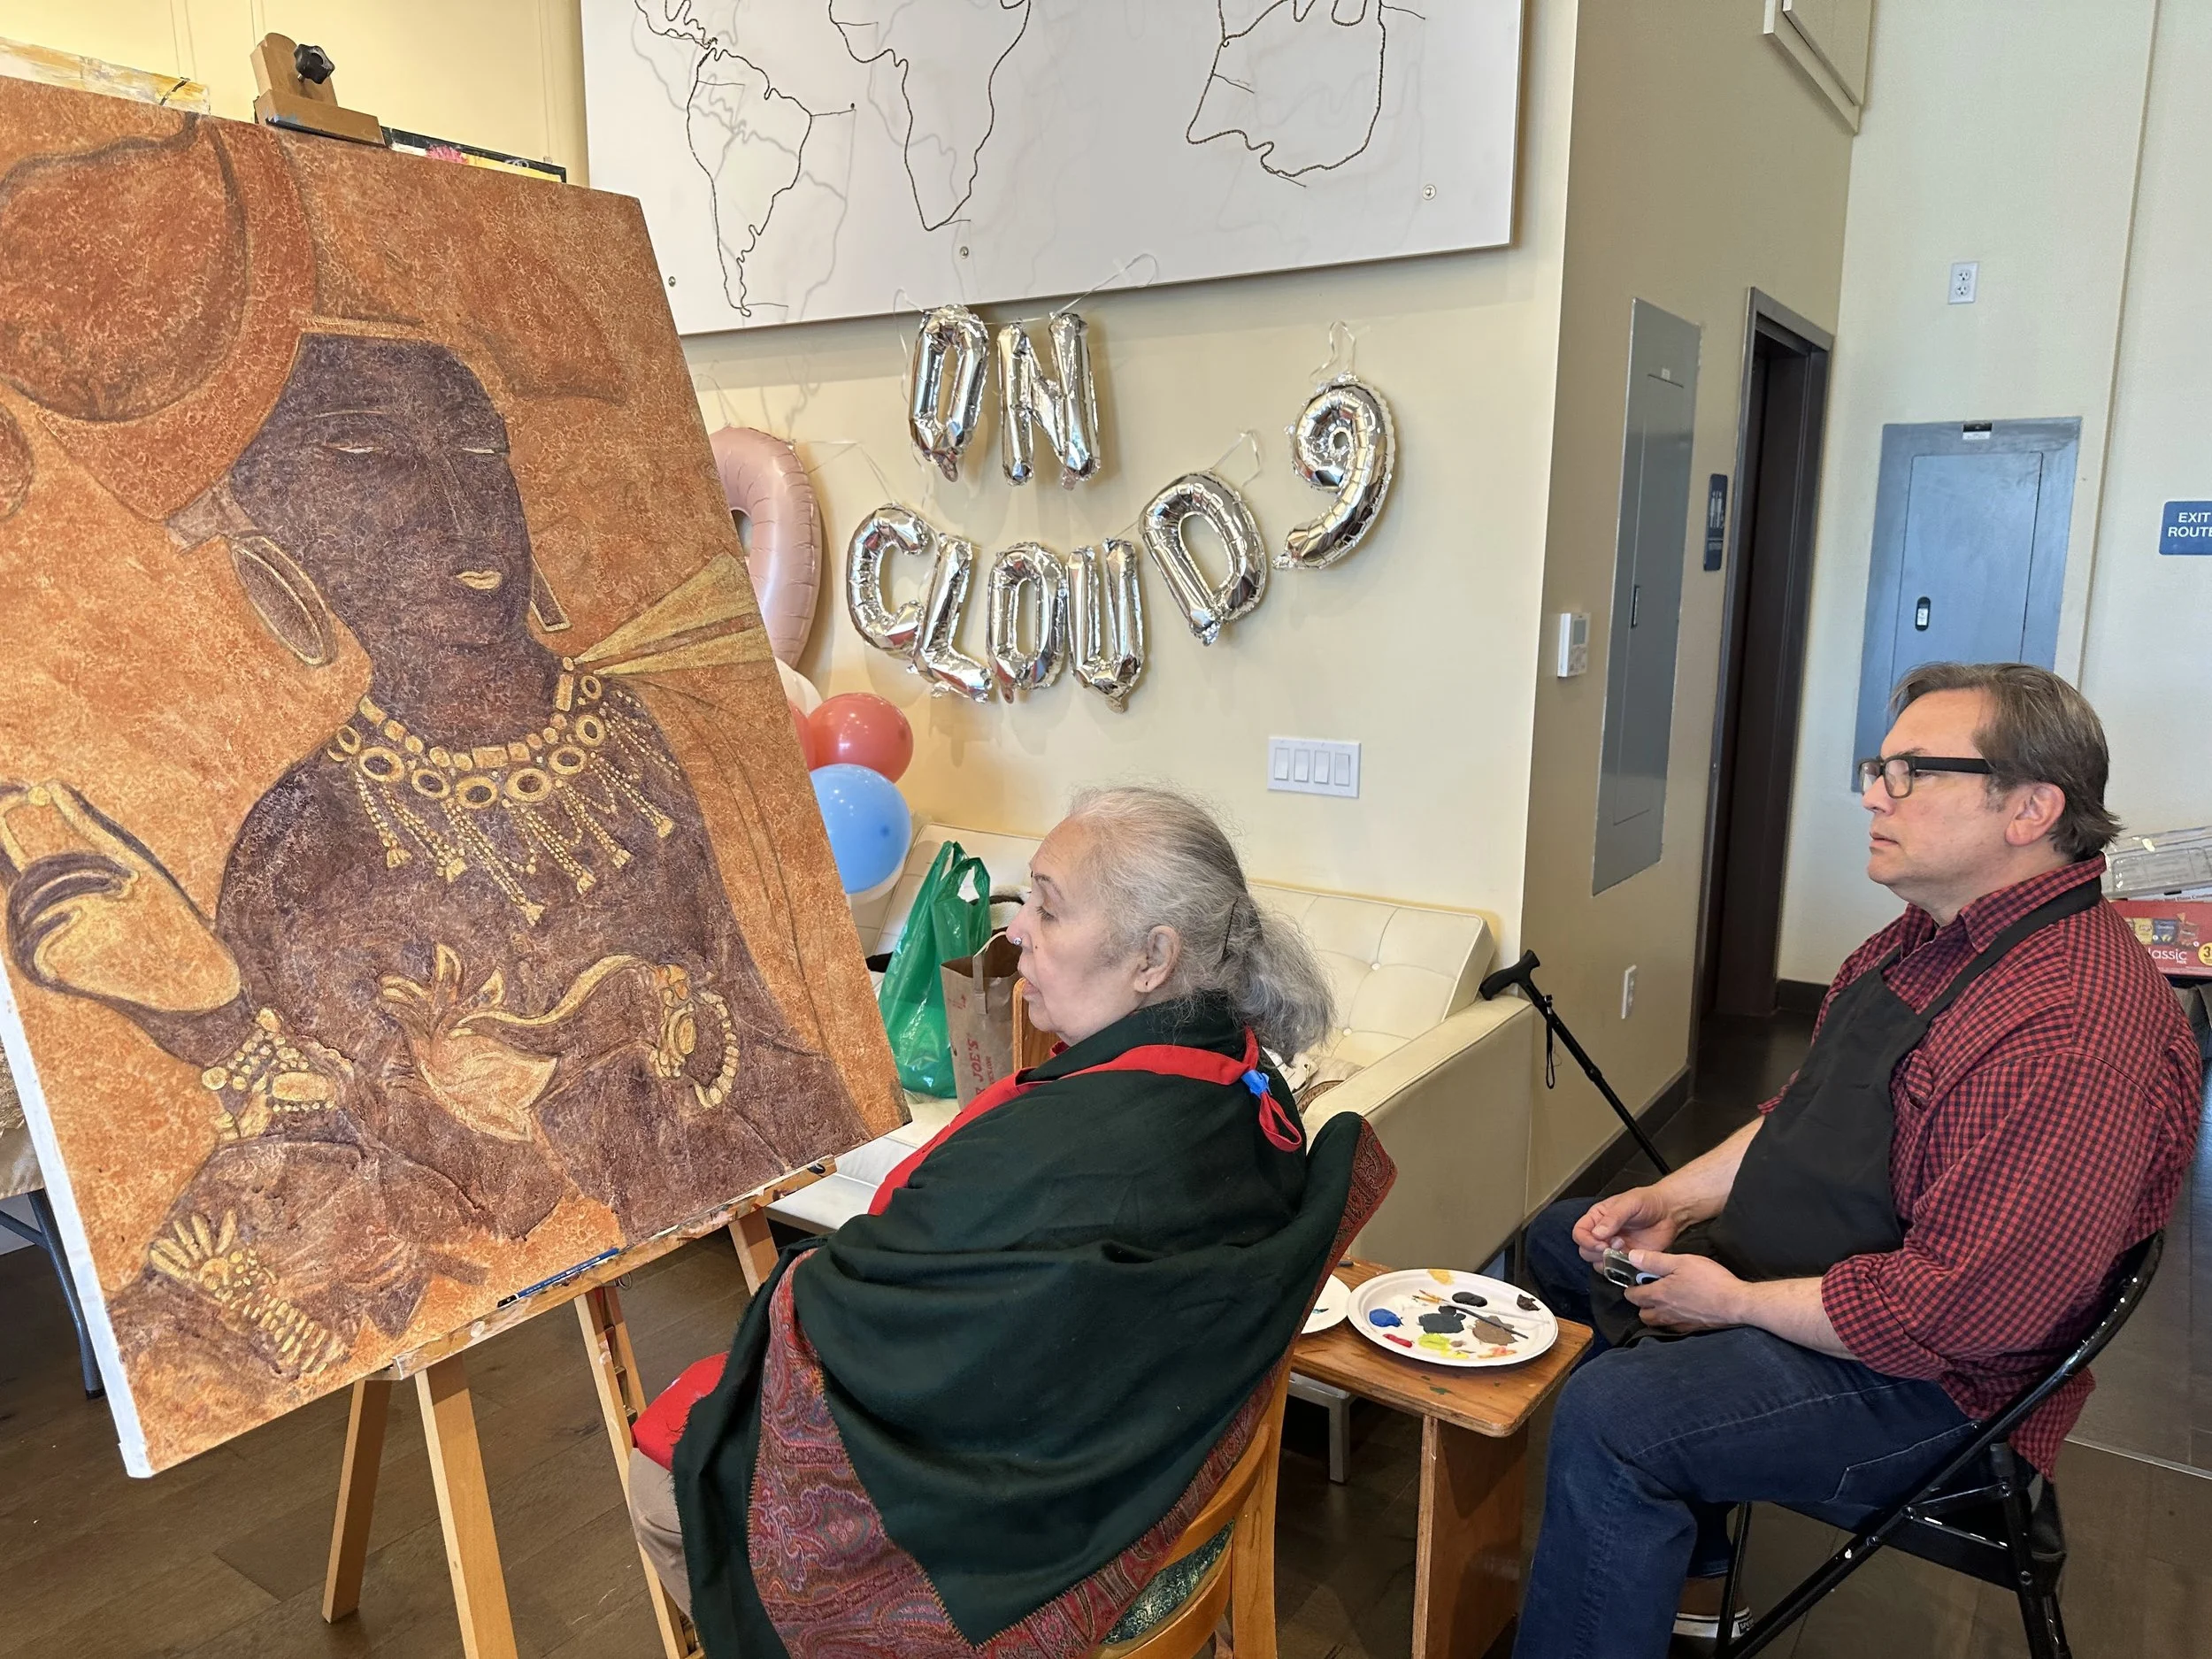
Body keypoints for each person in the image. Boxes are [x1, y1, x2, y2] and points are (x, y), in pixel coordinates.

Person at [0, 332, 857, 1383]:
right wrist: (210, 1010)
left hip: (780, 1287)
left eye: (478, 452)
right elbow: (357, 1216)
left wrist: (647, 1026)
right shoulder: (301, 847)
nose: (455, 506)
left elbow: (799, 1065)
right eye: (367, 461)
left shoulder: (679, 731)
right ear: (284, 534)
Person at [1513, 663, 2203, 1659]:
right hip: (1852, 1275)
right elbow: (1803, 1114)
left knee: (1615, 1416)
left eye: (1911, 772)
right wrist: (1665, 1198)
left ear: (2031, 808)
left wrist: (1735, 1301)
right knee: (1565, 1240)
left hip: (1942, 1389)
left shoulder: (2072, 1029)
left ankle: (1642, 1526)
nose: (1873, 794)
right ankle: (1683, 1567)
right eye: (1877, 767)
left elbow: (1958, 1317)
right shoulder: (1922, 939)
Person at [624, 786, 1396, 1657]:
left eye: (1048, 907)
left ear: (1152, 959)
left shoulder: (1078, 1152)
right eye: (1026, 896)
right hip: (1149, 1453)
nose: (1016, 928)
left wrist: (798, 1283)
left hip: (1060, 1519)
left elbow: (868, 1314)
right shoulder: (1241, 1074)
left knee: (665, 1484)